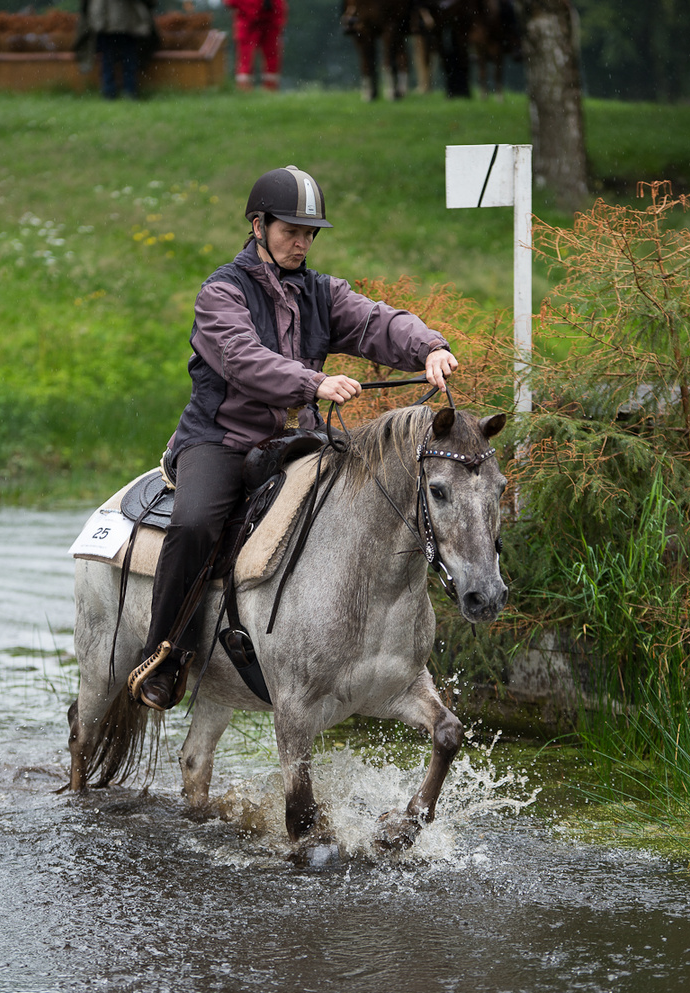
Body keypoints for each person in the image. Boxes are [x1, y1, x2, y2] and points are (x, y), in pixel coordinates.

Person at [132, 165, 458, 711]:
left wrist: (428, 346)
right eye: (291, 231)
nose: (302, 243)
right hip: (220, 440)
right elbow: (241, 359)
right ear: (257, 225)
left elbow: (376, 323)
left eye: (310, 234)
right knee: (193, 525)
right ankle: (164, 655)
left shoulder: (322, 293)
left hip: (296, 442)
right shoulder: (220, 293)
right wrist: (313, 381)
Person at [77, 0, 157, 100]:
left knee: (108, 57)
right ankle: (130, 91)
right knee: (129, 56)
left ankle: (109, 92)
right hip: (129, 18)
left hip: (104, 16)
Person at [224, 0, 287, 92]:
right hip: (248, 20)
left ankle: (270, 90)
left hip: (270, 19)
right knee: (245, 57)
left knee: (272, 56)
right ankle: (244, 90)